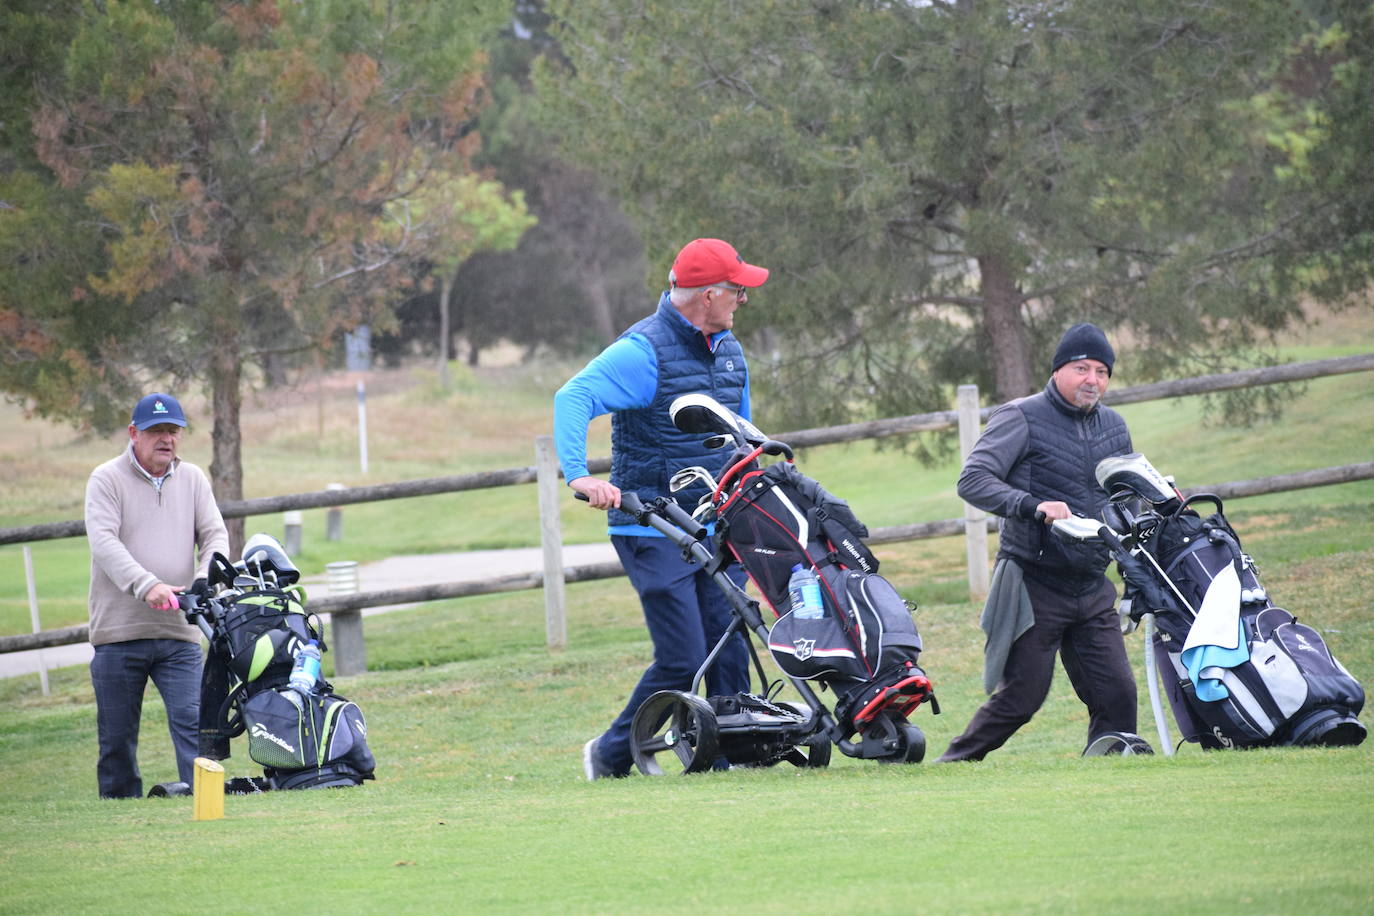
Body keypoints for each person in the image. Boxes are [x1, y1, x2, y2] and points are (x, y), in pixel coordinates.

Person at [554, 237, 769, 779]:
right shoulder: (642, 351)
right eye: (737, 291)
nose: (743, 299)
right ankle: (609, 754)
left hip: (716, 525)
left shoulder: (728, 350)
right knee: (682, 656)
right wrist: (580, 474)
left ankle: (728, 756)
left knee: (729, 641)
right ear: (708, 295)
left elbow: (739, 436)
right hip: (651, 529)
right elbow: (571, 398)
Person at [937, 323, 1138, 762]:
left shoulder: (1114, 426)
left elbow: (1125, 496)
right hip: (1034, 584)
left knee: (1118, 696)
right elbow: (973, 480)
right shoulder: (1020, 416)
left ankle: (1108, 783)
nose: (1093, 380)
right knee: (1021, 699)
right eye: (1082, 368)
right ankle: (952, 765)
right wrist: (1032, 505)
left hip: (1091, 585)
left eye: (1102, 371)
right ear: (1059, 370)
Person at [85, 392, 228, 797]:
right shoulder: (106, 479)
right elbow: (104, 543)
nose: (166, 438)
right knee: (116, 737)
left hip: (179, 632)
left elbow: (215, 535)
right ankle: (119, 815)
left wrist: (205, 577)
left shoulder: (194, 478)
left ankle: (205, 802)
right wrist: (147, 585)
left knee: (194, 723)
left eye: (172, 430)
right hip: (119, 633)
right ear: (134, 433)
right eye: (156, 431)